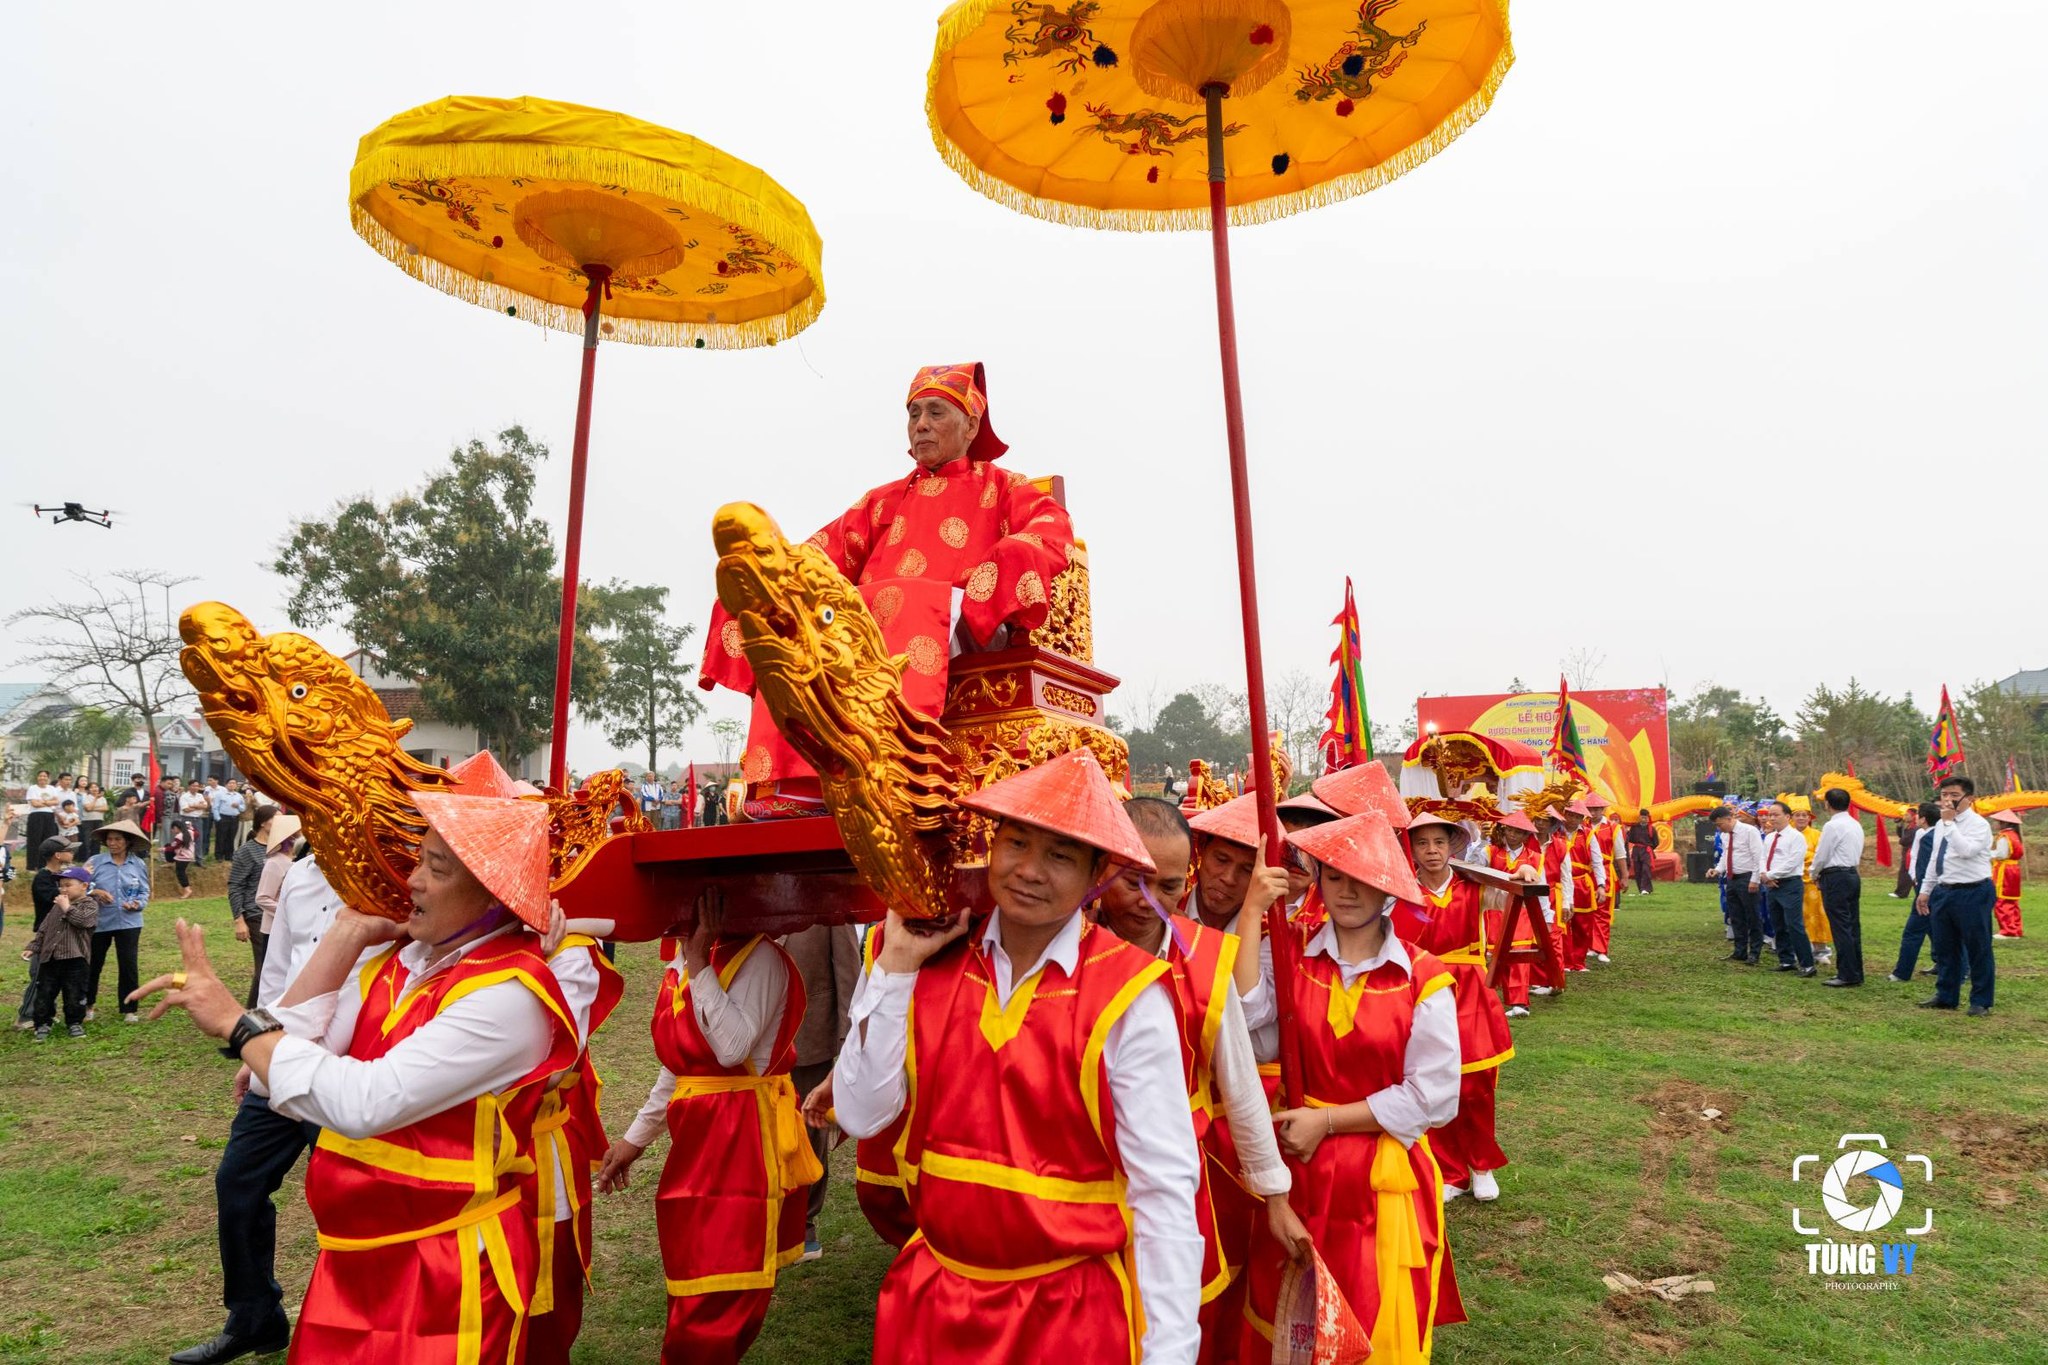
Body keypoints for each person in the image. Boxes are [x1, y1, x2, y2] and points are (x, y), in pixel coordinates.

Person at [135, 792, 579, 1365]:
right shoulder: (403, 963)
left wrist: (235, 1023)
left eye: (436, 868)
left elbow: (364, 1102)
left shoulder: (510, 996)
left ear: (495, 895)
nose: (412, 880)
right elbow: (275, 1075)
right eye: (417, 860)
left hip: (445, 1267)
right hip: (354, 1256)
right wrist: (345, 936)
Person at [832, 748, 1204, 1364]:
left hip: (1065, 1316)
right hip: (935, 1301)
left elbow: (1163, 1191)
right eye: (1017, 843)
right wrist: (894, 966)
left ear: (1096, 874)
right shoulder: (927, 965)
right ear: (992, 846)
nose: (1029, 870)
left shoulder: (1128, 995)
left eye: (1060, 855)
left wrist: (1170, 1352)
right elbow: (861, 1114)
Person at [700, 361, 1075, 820]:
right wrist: (767, 577)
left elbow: (1051, 527)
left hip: (963, 615)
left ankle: (889, 769)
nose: (921, 425)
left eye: (936, 412)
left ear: (971, 425)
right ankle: (800, 782)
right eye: (914, 414)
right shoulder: (883, 500)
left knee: (899, 599)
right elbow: (819, 554)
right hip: (869, 621)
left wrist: (993, 574)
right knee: (788, 608)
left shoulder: (1004, 486)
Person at [1235, 809, 1463, 1361]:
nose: (1347, 891)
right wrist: (1251, 912)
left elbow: (1433, 1098)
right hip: (1299, 1169)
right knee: (1294, 1310)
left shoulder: (1423, 977)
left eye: (1361, 877)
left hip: (1379, 1177)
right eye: (1334, 876)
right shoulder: (1291, 951)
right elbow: (1247, 1020)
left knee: (1369, 1312)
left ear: (1387, 883)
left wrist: (1328, 1121)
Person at [1096, 797, 1301, 1364]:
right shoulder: (1068, 944)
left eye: (1165, 887)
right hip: (1084, 1174)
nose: (1148, 902)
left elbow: (1242, 1087)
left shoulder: (1205, 958)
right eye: (1132, 881)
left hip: (1183, 1176)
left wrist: (1276, 1197)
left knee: (1183, 1316)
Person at [598, 889, 816, 1365]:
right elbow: (681, 1066)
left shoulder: (759, 957)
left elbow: (732, 1048)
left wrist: (697, 964)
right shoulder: (690, 955)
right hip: (697, 1145)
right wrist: (634, 1140)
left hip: (742, 1144)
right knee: (692, 1270)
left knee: (722, 1281)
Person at [169, 852, 341, 1365]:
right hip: (282, 1060)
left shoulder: (388, 873)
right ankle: (254, 1318)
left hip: (346, 1070)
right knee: (238, 1184)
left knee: (342, 1201)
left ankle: (351, 1328)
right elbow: (278, 972)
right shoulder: (300, 875)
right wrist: (257, 1050)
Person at [1394, 812, 1515, 1205]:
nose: (1431, 851)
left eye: (1439, 842)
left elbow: (1512, 896)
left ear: (1452, 847)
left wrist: (1525, 873)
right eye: (1422, 843)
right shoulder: (1401, 892)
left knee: (1477, 1083)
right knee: (1433, 1080)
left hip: (1471, 994)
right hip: (1424, 992)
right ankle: (1451, 1172)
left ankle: (1481, 1165)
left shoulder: (1475, 887)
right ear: (1412, 850)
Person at [784, 920, 861, 1262]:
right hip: (756, 1037)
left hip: (809, 1034)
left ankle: (804, 1223)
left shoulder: (828, 904)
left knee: (808, 1129)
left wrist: (849, 1042)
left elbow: (848, 969)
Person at [1916, 775, 1997, 1016]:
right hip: (1944, 890)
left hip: (1973, 890)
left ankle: (1980, 1001)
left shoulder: (1978, 825)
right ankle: (1946, 995)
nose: (1948, 800)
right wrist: (1925, 890)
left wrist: (1950, 824)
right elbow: (1936, 857)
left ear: (1969, 798)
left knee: (1978, 947)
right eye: (1944, 795)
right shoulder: (1942, 824)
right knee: (1945, 947)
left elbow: (1966, 851)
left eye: (1954, 795)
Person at [84, 818, 152, 1022]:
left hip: (130, 922)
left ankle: (129, 1009)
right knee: (93, 964)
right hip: (99, 921)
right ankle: (88, 1006)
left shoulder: (138, 864)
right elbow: (78, 886)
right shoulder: (95, 862)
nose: (112, 843)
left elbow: (144, 891)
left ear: (128, 842)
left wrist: (137, 904)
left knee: (128, 965)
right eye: (109, 839)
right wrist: (96, 891)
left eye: (117, 839)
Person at [1484, 811, 1548, 1019]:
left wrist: (1546, 917)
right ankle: (1495, 998)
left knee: (1519, 955)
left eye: (1518, 832)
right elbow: (1473, 869)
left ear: (1526, 835)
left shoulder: (1535, 858)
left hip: (1522, 912)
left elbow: (1542, 888)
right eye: (1509, 830)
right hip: (1494, 911)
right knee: (1496, 957)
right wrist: (1482, 839)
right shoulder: (1490, 851)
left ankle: (1520, 1002)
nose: (1512, 835)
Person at [30, 864, 99, 1039]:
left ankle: (74, 1023)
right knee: (45, 992)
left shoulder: (89, 904)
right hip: (51, 958)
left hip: (75, 958)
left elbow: (84, 922)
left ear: (84, 886)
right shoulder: (56, 906)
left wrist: (67, 908)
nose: (63, 889)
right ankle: (43, 1023)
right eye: (61, 886)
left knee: (74, 993)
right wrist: (34, 947)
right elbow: (44, 928)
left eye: (68, 885)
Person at [15, 837, 77, 1031]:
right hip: (45, 935)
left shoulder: (61, 876)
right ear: (57, 855)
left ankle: (46, 1012)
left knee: (54, 976)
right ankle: (26, 1016)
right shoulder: (43, 878)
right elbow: (57, 898)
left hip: (61, 933)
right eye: (69, 850)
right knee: (39, 976)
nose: (72, 853)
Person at [1753, 801, 1816, 977]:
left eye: (1776, 814)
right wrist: (1764, 875)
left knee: (1794, 925)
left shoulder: (1796, 837)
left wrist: (1770, 875)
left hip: (1789, 884)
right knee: (1778, 923)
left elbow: (1793, 862)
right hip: (1771, 884)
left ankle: (1807, 964)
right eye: (1770, 815)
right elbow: (1763, 858)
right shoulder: (1770, 837)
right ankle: (1786, 960)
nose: (1771, 818)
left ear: (1788, 817)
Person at [1811, 787, 1867, 987]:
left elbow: (1822, 854)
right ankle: (1856, 971)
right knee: (1852, 925)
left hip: (1835, 876)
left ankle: (1847, 973)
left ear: (1827, 804)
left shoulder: (1832, 826)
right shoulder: (1855, 824)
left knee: (1840, 926)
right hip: (1851, 874)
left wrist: (1814, 873)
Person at [1886, 802, 1943, 984]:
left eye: (1918, 815)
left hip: (1928, 891)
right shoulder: (1924, 833)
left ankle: (1902, 972)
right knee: (1936, 930)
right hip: (1926, 887)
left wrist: (1922, 887)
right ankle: (1950, 965)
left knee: (1913, 931)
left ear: (1923, 819)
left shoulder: (1931, 837)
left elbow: (1927, 866)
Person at [251, 812, 302, 1006]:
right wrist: (287, 911)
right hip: (273, 930)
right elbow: (262, 897)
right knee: (273, 977)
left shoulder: (294, 862)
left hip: (292, 928)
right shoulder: (274, 863)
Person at [1709, 805, 1765, 964]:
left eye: (1720, 824)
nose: (1719, 828)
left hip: (1748, 878)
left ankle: (1754, 952)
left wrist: (1755, 879)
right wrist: (1718, 870)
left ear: (1729, 819)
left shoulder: (1750, 831)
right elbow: (1726, 855)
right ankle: (1740, 950)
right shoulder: (1725, 835)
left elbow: (1758, 856)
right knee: (1736, 916)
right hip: (1732, 878)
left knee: (1753, 916)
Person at [226, 808, 274, 981]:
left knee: (276, 968)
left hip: (278, 913)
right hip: (257, 914)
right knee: (265, 970)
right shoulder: (247, 851)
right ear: (263, 823)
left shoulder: (281, 849)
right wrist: (239, 920)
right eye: (277, 819)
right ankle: (257, 1000)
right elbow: (235, 886)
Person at [1789, 799, 1833, 967]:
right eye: (1797, 815)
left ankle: (1820, 951)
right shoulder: (1787, 835)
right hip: (1792, 881)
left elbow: (1821, 857)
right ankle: (1798, 950)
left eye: (1804, 815)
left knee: (1817, 916)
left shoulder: (1817, 835)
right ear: (1791, 818)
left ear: (1809, 818)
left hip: (1813, 883)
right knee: (1796, 917)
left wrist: (1805, 856)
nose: (1801, 818)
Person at [1990, 811, 2025, 939]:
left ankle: (2008, 930)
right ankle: (2016, 928)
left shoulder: (2004, 836)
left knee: (2002, 900)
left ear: (2003, 823)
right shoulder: (2014, 835)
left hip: (2004, 870)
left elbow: (2001, 854)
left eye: (1996, 821)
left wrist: (1987, 853)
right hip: (2013, 869)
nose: (1994, 824)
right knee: (2012, 900)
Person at [22, 769, 60, 852]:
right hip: (36, 815)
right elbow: (34, 804)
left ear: (48, 778)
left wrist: (43, 802)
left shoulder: (52, 788)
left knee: (48, 838)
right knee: (34, 839)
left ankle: (45, 859)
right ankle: (33, 860)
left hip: (49, 815)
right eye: (40, 776)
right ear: (37, 777)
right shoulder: (32, 788)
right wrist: (49, 802)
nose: (42, 778)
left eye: (45, 776)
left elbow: (56, 802)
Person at [212, 778, 248, 863]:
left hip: (234, 818)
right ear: (226, 784)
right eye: (230, 783)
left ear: (236, 785)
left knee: (231, 837)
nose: (232, 785)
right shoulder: (220, 794)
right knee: (221, 837)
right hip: (223, 817)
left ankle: (229, 855)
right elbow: (215, 807)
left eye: (234, 783)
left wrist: (238, 806)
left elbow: (243, 808)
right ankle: (219, 855)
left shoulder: (238, 796)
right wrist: (218, 819)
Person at [165, 815, 199, 898]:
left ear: (176, 828)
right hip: (189, 855)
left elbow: (173, 847)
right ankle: (171, 862)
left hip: (182, 857)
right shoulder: (190, 832)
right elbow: (197, 834)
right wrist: (191, 828)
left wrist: (162, 849)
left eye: (172, 829)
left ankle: (187, 890)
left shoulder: (179, 836)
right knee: (168, 846)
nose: (172, 831)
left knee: (180, 873)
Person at [1891, 807, 1921, 899]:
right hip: (1907, 851)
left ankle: (1901, 893)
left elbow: (1904, 840)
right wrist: (1899, 825)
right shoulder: (1910, 827)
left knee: (1906, 872)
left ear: (1913, 816)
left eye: (1907, 815)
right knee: (1905, 871)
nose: (1905, 817)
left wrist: (1901, 840)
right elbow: (1901, 835)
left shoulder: (1915, 828)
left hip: (1910, 851)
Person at [1626, 811, 1657, 894]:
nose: (1644, 819)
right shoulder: (1634, 827)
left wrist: (1649, 848)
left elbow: (1656, 842)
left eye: (1645, 818)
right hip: (1636, 851)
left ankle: (1645, 889)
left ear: (1648, 818)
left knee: (1646, 870)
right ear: (1639, 818)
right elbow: (1630, 838)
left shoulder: (1652, 829)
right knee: (1637, 871)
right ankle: (1641, 889)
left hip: (1647, 851)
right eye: (1642, 817)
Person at [182, 779, 212, 863]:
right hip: (187, 819)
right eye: (193, 786)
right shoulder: (184, 796)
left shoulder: (200, 796)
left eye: (197, 786)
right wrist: (198, 806)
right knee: (187, 839)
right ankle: (186, 858)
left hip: (198, 819)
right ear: (189, 787)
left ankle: (198, 859)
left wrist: (193, 806)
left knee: (199, 839)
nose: (195, 787)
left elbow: (205, 806)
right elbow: (186, 809)